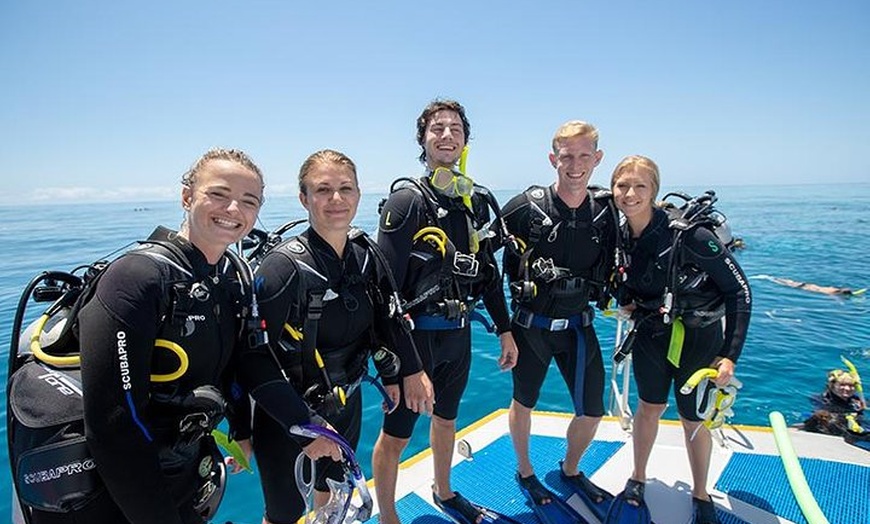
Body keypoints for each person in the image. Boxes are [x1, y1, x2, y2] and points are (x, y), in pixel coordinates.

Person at [249, 149, 433, 524]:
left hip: (345, 397)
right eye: (323, 189)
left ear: (359, 195)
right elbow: (252, 361)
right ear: (304, 198)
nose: (336, 199)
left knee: (334, 492)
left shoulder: (367, 255)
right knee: (284, 512)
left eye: (345, 188)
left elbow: (386, 317)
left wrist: (397, 373)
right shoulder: (283, 267)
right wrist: (303, 427)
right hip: (289, 409)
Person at [372, 99, 519, 524]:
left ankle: (445, 489)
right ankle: (387, 516)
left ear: (466, 140)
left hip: (458, 335)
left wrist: (505, 331)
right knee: (397, 436)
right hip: (415, 339)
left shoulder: (474, 202)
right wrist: (407, 367)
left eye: (455, 128)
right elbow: (386, 292)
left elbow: (489, 274)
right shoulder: (407, 202)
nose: (447, 135)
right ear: (423, 140)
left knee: (446, 420)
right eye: (437, 128)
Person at [609, 155, 752, 524]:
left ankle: (700, 493)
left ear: (654, 191)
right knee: (648, 408)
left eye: (640, 186)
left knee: (693, 420)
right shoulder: (619, 233)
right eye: (622, 185)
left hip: (699, 338)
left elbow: (740, 292)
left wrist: (729, 355)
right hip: (651, 336)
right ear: (613, 190)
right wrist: (624, 299)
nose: (630, 193)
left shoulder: (691, 236)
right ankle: (638, 477)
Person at [500, 120, 618, 520]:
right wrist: (502, 330)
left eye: (585, 155)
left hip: (579, 328)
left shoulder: (606, 212)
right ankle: (526, 470)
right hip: (530, 328)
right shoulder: (524, 208)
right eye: (567, 156)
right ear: (553, 159)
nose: (575, 164)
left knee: (593, 411)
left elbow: (642, 244)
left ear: (597, 159)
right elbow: (483, 261)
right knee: (523, 402)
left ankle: (570, 469)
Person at [768, 276, 863, 296]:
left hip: (806, 285)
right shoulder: (832, 293)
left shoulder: (832, 289)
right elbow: (836, 299)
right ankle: (772, 279)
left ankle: (772, 278)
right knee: (785, 283)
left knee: (788, 282)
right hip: (804, 287)